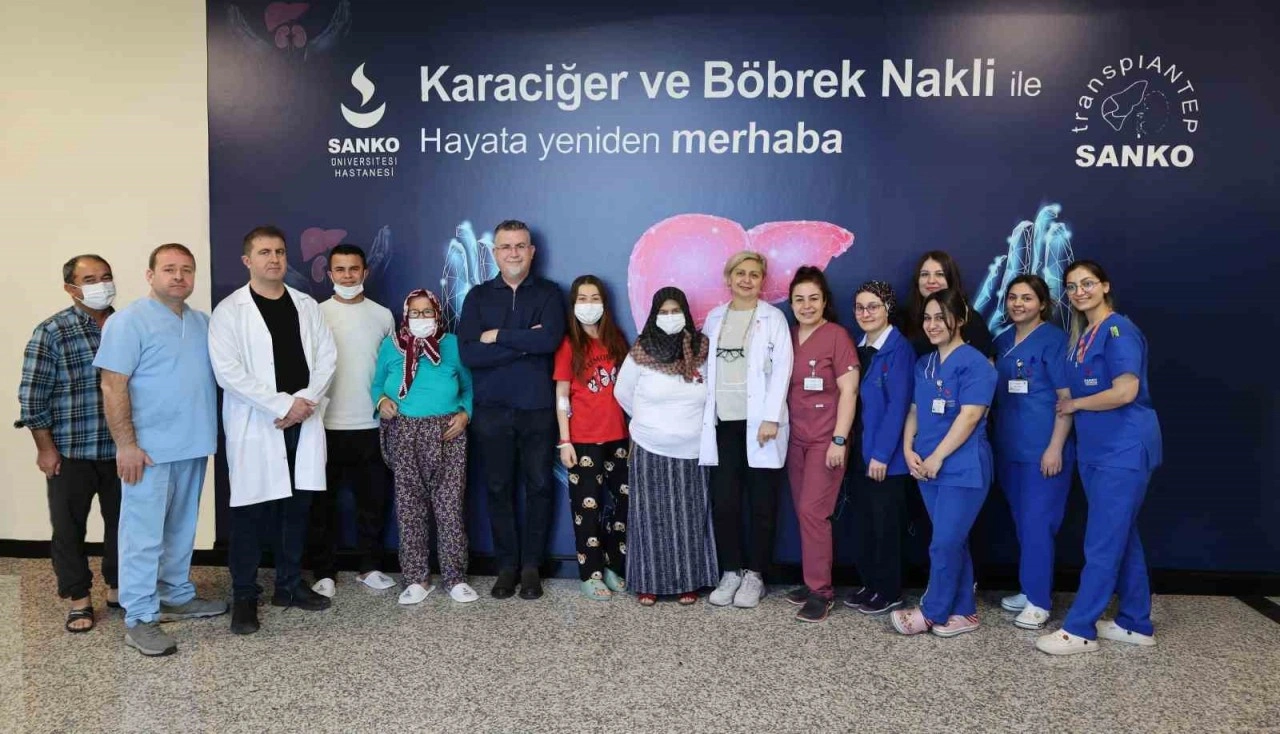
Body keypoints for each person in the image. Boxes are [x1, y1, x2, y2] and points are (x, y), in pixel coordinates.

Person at [95, 244, 226, 656]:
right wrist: (127, 445)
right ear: (150, 275)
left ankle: (176, 594)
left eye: (187, 269)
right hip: (148, 451)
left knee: (181, 529)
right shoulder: (128, 322)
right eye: (169, 269)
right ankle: (139, 617)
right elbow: (112, 385)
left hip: (193, 443)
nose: (179, 276)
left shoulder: (202, 323)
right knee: (142, 536)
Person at [209, 225, 337, 635]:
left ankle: (288, 585)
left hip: (302, 420)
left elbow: (327, 358)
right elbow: (228, 372)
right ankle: (245, 596)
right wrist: (282, 405)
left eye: (280, 251)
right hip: (259, 422)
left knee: (296, 510)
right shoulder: (230, 311)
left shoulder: (306, 305)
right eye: (265, 252)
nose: (275, 259)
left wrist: (303, 404)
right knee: (250, 514)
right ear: (247, 260)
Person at [1036, 261, 1162, 655]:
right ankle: (1135, 623)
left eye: (1087, 283)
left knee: (1102, 543)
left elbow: (1126, 391)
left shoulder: (1119, 330)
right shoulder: (1083, 336)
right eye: (1072, 286)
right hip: (1097, 451)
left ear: (1105, 286)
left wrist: (1075, 404)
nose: (1079, 292)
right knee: (1122, 537)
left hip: (1122, 451)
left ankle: (1080, 629)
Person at [457, 219, 566, 600]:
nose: (514, 253)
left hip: (537, 409)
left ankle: (532, 566)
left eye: (521, 245)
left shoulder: (550, 293)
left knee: (539, 487)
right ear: (495, 252)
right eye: (506, 246)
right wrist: (524, 344)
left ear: (532, 251)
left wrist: (499, 337)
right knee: (498, 488)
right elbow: (470, 353)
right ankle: (506, 566)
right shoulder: (478, 297)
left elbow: (549, 340)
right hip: (492, 412)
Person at [17, 254, 121, 633]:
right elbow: (32, 396)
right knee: (68, 528)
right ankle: (79, 599)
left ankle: (118, 589)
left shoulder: (126, 326)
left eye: (106, 277)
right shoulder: (52, 331)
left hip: (121, 450)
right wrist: (45, 449)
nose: (101, 285)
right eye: (90, 279)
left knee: (124, 526)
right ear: (70, 288)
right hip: (70, 451)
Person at [891, 288, 997, 638]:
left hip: (962, 467)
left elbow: (970, 416)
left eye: (941, 317)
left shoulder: (977, 364)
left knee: (944, 543)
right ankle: (964, 612)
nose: (932, 324)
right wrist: (908, 448)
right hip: (926, 467)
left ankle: (932, 611)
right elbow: (914, 410)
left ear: (961, 319)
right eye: (927, 318)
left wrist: (937, 457)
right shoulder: (924, 364)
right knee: (953, 540)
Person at [700, 251, 794, 609]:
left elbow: (782, 369)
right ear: (729, 278)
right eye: (740, 273)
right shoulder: (714, 318)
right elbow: (705, 369)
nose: (746, 280)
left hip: (761, 427)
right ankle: (730, 572)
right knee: (725, 502)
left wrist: (771, 417)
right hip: (723, 424)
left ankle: (755, 575)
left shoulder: (773, 319)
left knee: (762, 504)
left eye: (754, 274)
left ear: (762, 281)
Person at [371, 289, 476, 605]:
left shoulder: (453, 345)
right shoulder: (391, 347)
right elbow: (376, 385)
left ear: (437, 314)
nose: (421, 318)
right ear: (405, 316)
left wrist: (465, 414)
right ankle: (417, 579)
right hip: (404, 432)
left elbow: (468, 387)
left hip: (448, 433)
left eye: (427, 312)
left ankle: (455, 578)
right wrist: (382, 401)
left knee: (450, 508)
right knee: (409, 509)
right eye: (415, 313)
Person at [614, 287, 718, 606]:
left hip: (692, 450)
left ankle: (689, 582)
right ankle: (649, 583)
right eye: (664, 312)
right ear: (653, 315)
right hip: (649, 446)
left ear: (686, 313)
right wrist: (650, 422)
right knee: (650, 518)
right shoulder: (642, 349)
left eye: (676, 311)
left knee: (689, 518)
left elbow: (713, 392)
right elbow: (622, 392)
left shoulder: (701, 348)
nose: (670, 317)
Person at [307, 244, 397, 598]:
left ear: (365, 273)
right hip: (324, 425)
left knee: (372, 503)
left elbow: (392, 369)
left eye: (354, 269)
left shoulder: (382, 316)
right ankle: (324, 572)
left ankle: (370, 567)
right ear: (329, 274)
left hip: (371, 425)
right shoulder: (315, 313)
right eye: (340, 269)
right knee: (322, 505)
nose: (347, 276)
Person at [991, 275, 1075, 630]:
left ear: (1042, 303)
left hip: (1044, 450)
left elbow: (1066, 400)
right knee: (1024, 524)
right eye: (1013, 297)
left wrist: (1055, 447)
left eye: (1027, 298)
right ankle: (1029, 589)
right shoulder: (1002, 340)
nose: (1018, 304)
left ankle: (1039, 601)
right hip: (1010, 448)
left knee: (1039, 524)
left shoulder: (1054, 341)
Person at [781, 267, 859, 623]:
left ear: (825, 301)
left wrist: (839, 439)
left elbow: (849, 391)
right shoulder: (788, 336)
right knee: (804, 512)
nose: (806, 305)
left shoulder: (837, 337)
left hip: (826, 440)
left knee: (814, 512)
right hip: (795, 439)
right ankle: (811, 579)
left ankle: (821, 592)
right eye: (799, 299)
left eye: (814, 298)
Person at [554, 275, 631, 601]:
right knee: (587, 509)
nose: (589, 305)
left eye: (594, 298)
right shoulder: (569, 345)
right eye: (582, 299)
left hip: (619, 437)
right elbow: (562, 396)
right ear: (573, 305)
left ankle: (614, 565)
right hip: (583, 440)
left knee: (623, 504)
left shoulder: (616, 340)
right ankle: (591, 573)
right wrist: (565, 440)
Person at [845, 281, 914, 616]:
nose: (866, 313)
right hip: (860, 452)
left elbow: (898, 407)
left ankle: (889, 590)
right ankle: (870, 583)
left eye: (873, 306)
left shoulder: (900, 350)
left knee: (886, 526)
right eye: (860, 307)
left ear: (887, 308)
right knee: (866, 523)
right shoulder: (859, 348)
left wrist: (882, 455)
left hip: (886, 458)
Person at [903, 251, 993, 358]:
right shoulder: (904, 319)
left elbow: (987, 364)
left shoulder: (971, 319)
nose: (931, 281)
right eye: (925, 274)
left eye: (939, 274)